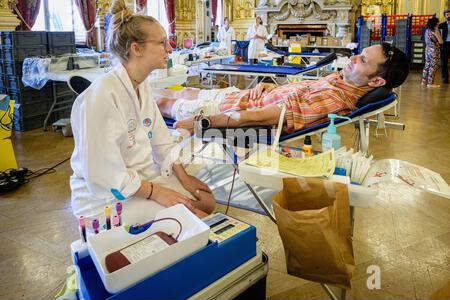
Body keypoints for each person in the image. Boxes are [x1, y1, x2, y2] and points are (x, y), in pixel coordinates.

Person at [69, 0, 215, 229]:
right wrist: (157, 193)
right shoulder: (101, 97)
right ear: (136, 49)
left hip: (141, 180)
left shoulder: (142, 87)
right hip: (107, 198)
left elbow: (161, 143)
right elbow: (104, 175)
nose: (170, 49)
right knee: (198, 221)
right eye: (162, 43)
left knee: (207, 200)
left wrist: (185, 179)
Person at [154, 43, 409, 135]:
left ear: (376, 81)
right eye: (359, 54)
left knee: (160, 102)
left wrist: (204, 123)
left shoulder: (336, 99)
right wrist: (270, 88)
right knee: (181, 91)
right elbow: (296, 94)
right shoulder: (336, 81)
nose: (353, 59)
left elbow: (267, 116)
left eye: (362, 60)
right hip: (239, 97)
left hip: (227, 109)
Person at [422, 17, 444, 88]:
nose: (438, 23)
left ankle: (424, 81)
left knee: (427, 65)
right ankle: (430, 83)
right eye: (438, 22)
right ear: (435, 23)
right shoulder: (435, 31)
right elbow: (441, 41)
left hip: (427, 49)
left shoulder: (427, 30)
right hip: (434, 50)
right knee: (433, 66)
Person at [438, 9, 450, 84]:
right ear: (445, 16)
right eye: (447, 15)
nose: (449, 16)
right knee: (444, 62)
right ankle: (445, 78)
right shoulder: (441, 25)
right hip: (445, 45)